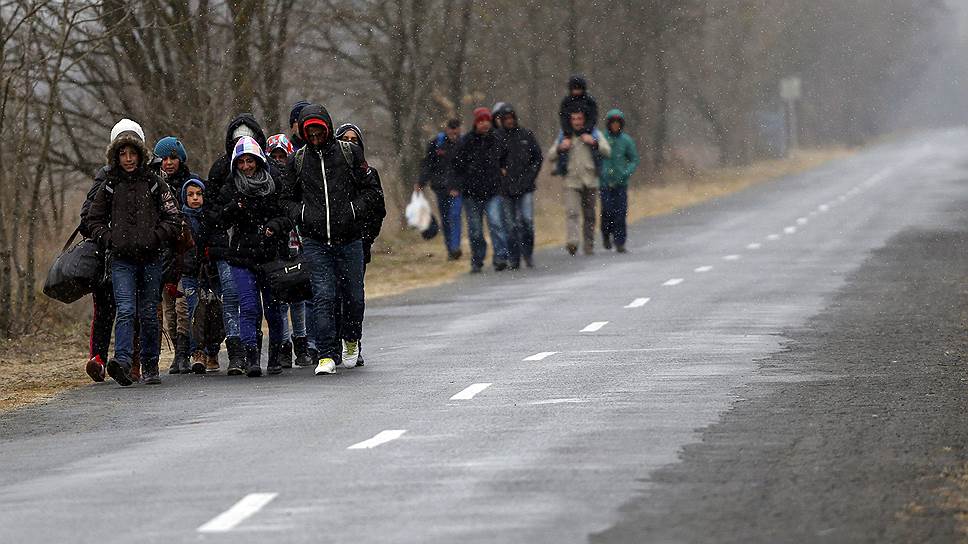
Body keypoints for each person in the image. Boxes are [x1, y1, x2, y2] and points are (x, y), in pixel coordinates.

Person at [280, 103, 383, 375]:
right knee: (323, 297)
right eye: (309, 131)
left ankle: (351, 339)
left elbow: (371, 191)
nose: (314, 136)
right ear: (302, 132)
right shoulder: (298, 161)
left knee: (353, 296)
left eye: (318, 130)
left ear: (327, 128)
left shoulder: (349, 154)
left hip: (349, 239)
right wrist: (302, 215)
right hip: (315, 242)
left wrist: (352, 211)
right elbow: (286, 199)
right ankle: (326, 354)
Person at [82, 118, 182, 386]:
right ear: (116, 155)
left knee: (149, 312)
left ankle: (150, 365)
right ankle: (123, 363)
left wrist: (155, 237)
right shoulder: (110, 185)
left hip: (150, 260)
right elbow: (93, 220)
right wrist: (110, 239)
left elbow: (174, 218)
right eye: (123, 153)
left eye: (132, 153)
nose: (128, 158)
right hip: (121, 261)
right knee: (126, 310)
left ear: (140, 154)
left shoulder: (154, 183)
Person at [208, 136, 291, 377]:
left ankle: (275, 356)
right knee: (249, 306)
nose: (246, 166)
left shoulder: (274, 184)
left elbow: (288, 216)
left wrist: (274, 226)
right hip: (242, 257)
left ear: (258, 161)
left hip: (270, 256)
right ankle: (251, 356)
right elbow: (217, 220)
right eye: (241, 162)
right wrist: (235, 207)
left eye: (250, 161)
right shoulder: (230, 187)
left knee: (274, 309)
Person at [205, 114, 269, 375]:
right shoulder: (221, 170)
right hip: (227, 247)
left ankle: (254, 348)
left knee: (255, 303)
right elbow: (212, 212)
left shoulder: (266, 175)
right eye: (237, 139)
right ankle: (237, 353)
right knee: (233, 298)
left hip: (259, 247)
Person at [335, 122, 387, 367]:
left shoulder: (368, 174)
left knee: (353, 297)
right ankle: (331, 345)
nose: (350, 143)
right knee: (330, 296)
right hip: (330, 244)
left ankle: (353, 342)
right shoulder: (329, 175)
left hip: (357, 244)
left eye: (354, 139)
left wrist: (366, 237)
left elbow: (378, 210)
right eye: (344, 139)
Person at [152, 136, 200, 374]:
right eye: (164, 158)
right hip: (162, 252)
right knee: (169, 307)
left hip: (184, 253)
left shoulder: (192, 185)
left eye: (173, 158)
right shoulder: (152, 185)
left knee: (183, 305)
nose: (168, 163)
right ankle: (176, 355)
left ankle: (184, 353)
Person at [265, 133, 306, 369]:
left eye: (283, 155)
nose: (279, 160)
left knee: (298, 297)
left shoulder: (297, 178)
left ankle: (301, 342)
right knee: (280, 298)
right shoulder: (267, 182)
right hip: (276, 247)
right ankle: (283, 345)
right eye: (275, 156)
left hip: (296, 242)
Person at [453, 107, 509, 273]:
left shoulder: (497, 139)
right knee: (475, 230)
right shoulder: (466, 141)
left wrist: (503, 168)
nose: (484, 124)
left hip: (493, 190)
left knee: (496, 224)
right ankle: (477, 259)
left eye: (487, 121)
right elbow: (456, 164)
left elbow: (505, 156)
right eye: (481, 121)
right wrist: (462, 179)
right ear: (476, 123)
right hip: (471, 193)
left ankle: (500, 257)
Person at [547, 110, 611, 256]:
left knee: (589, 215)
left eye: (579, 118)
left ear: (585, 119)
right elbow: (550, 156)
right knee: (572, 212)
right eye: (574, 118)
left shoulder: (594, 133)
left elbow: (607, 152)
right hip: (571, 180)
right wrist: (560, 147)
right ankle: (573, 241)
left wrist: (593, 142)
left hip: (591, 180)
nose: (577, 122)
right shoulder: (564, 135)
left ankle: (589, 245)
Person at [178, 178, 221, 373]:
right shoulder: (180, 220)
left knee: (213, 311)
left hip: (210, 273)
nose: (195, 198)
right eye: (190, 195)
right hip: (189, 272)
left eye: (198, 194)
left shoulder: (210, 217)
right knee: (194, 312)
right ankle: (198, 352)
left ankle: (213, 350)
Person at [494, 104, 543, 269]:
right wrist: (500, 172)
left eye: (511, 118)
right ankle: (514, 258)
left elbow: (537, 158)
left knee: (527, 221)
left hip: (526, 186)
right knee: (510, 225)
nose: (509, 121)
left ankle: (528, 253)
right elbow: (491, 160)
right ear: (501, 120)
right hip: (506, 188)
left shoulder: (526, 135)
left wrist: (530, 176)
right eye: (505, 119)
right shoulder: (496, 137)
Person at [417, 118, 463, 260]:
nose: (454, 134)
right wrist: (421, 182)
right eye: (452, 130)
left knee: (454, 216)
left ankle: (455, 247)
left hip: (457, 189)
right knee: (445, 219)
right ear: (447, 129)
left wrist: (458, 186)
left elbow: (466, 167)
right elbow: (427, 164)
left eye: (456, 131)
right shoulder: (436, 144)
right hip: (440, 188)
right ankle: (450, 250)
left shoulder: (464, 144)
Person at [599, 109, 641, 253]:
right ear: (608, 124)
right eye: (613, 123)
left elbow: (634, 159)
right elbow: (595, 157)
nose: (615, 126)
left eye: (618, 123)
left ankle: (620, 241)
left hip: (621, 183)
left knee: (621, 212)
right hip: (604, 183)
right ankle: (606, 234)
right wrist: (600, 172)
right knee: (607, 211)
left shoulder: (626, 141)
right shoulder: (601, 138)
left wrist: (626, 172)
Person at [555, 75, 599, 176]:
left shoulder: (589, 101)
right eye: (574, 88)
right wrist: (567, 134)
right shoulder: (566, 101)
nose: (576, 91)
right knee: (563, 144)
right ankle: (561, 167)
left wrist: (586, 131)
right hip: (569, 129)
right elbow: (563, 118)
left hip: (589, 129)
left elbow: (593, 117)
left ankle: (597, 167)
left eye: (578, 88)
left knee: (596, 143)